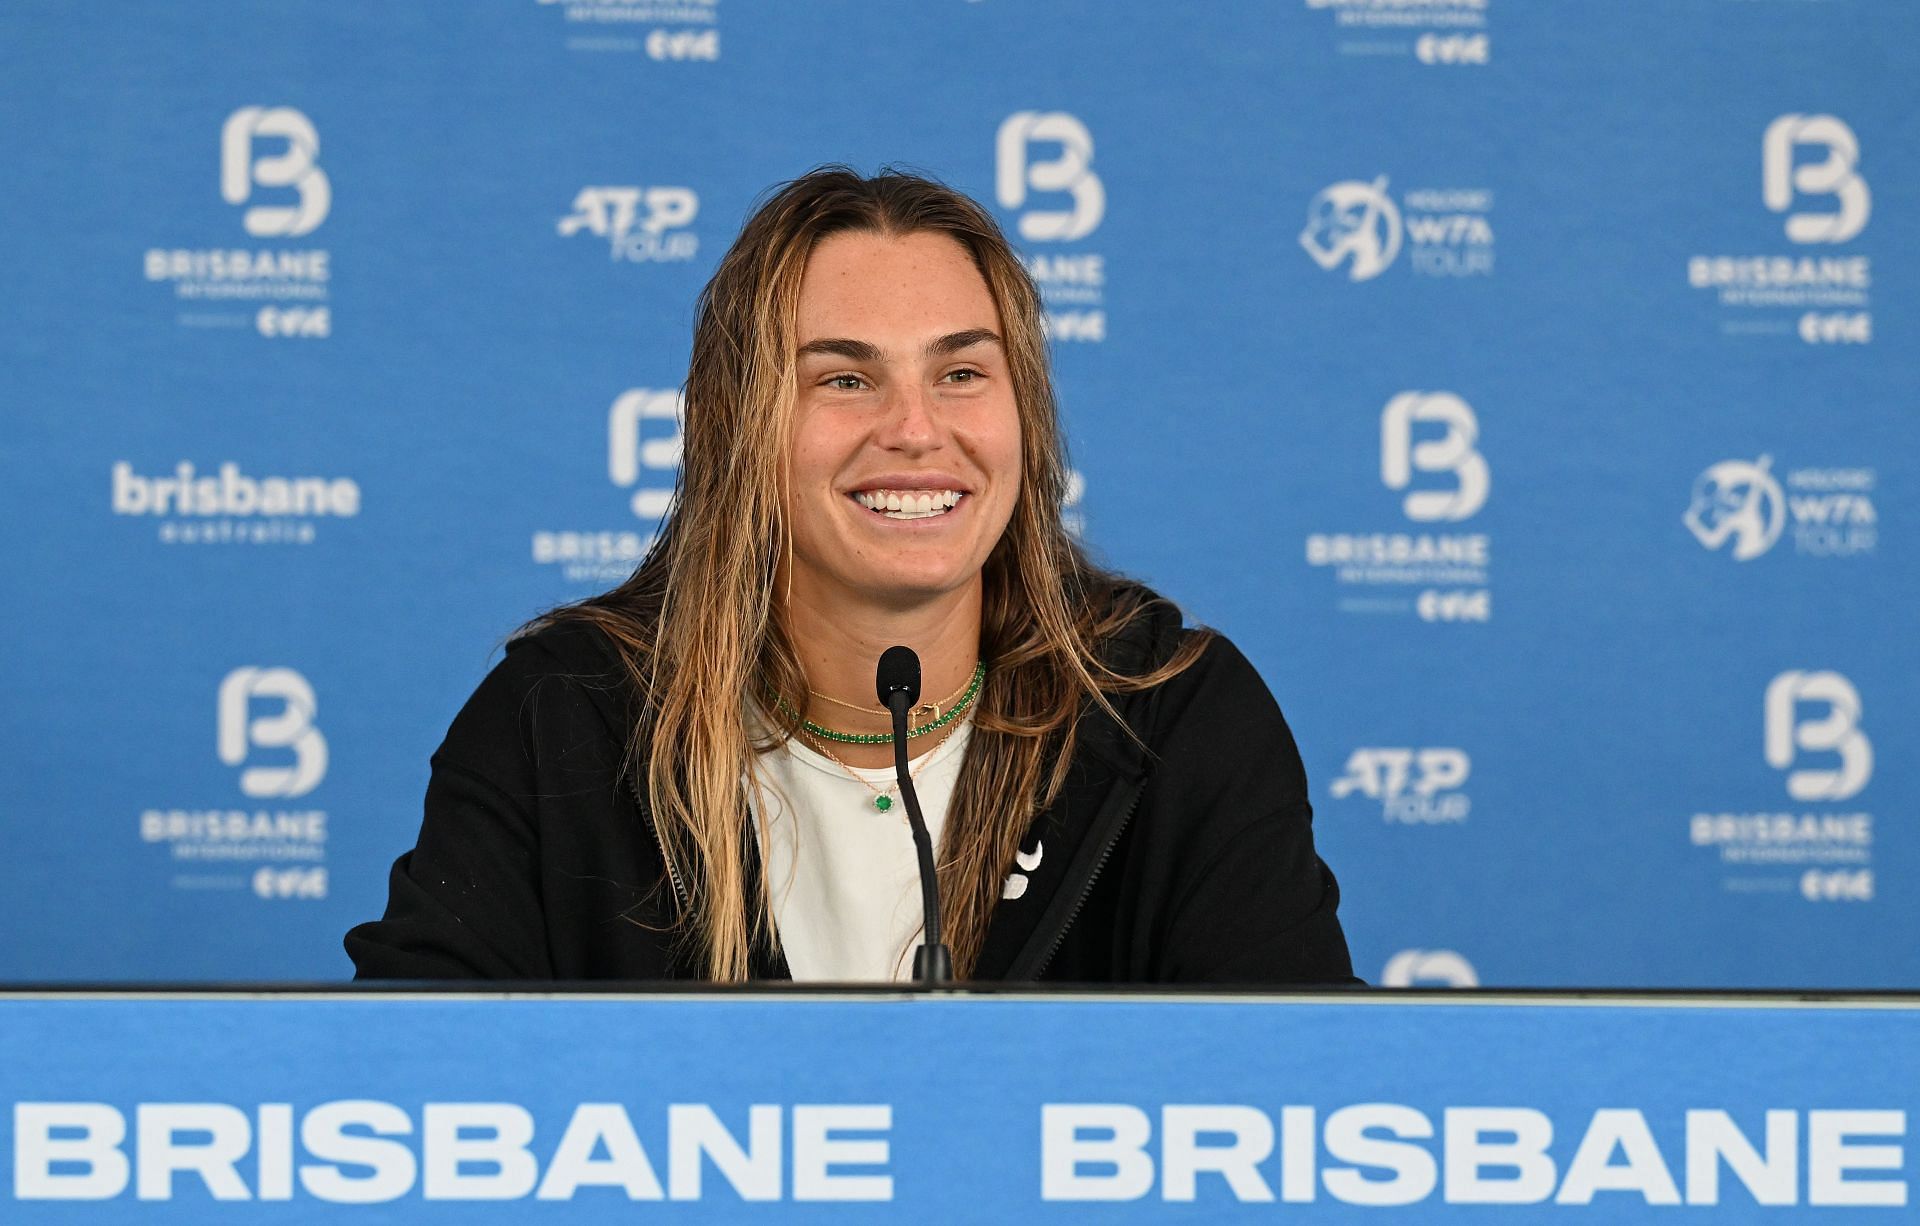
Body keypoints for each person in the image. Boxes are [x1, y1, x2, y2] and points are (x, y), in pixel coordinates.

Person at [346, 167, 1354, 984]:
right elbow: (406, 1088)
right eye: (843, 377)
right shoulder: (560, 720)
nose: (916, 430)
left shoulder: (1169, 715)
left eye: (962, 372)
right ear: (740, 428)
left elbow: (1304, 1104)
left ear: (1026, 419)